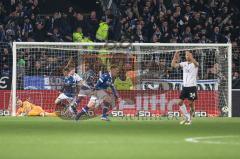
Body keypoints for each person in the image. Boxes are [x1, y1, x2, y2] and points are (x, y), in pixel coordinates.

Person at [171, 51, 199, 125]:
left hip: (192, 87)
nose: (187, 56)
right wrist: (175, 55)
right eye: (186, 55)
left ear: (191, 55)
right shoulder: (184, 64)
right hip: (185, 87)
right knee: (180, 102)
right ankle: (187, 117)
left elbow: (196, 63)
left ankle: (190, 119)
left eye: (188, 55)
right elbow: (173, 65)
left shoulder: (195, 64)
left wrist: (191, 57)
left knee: (191, 104)